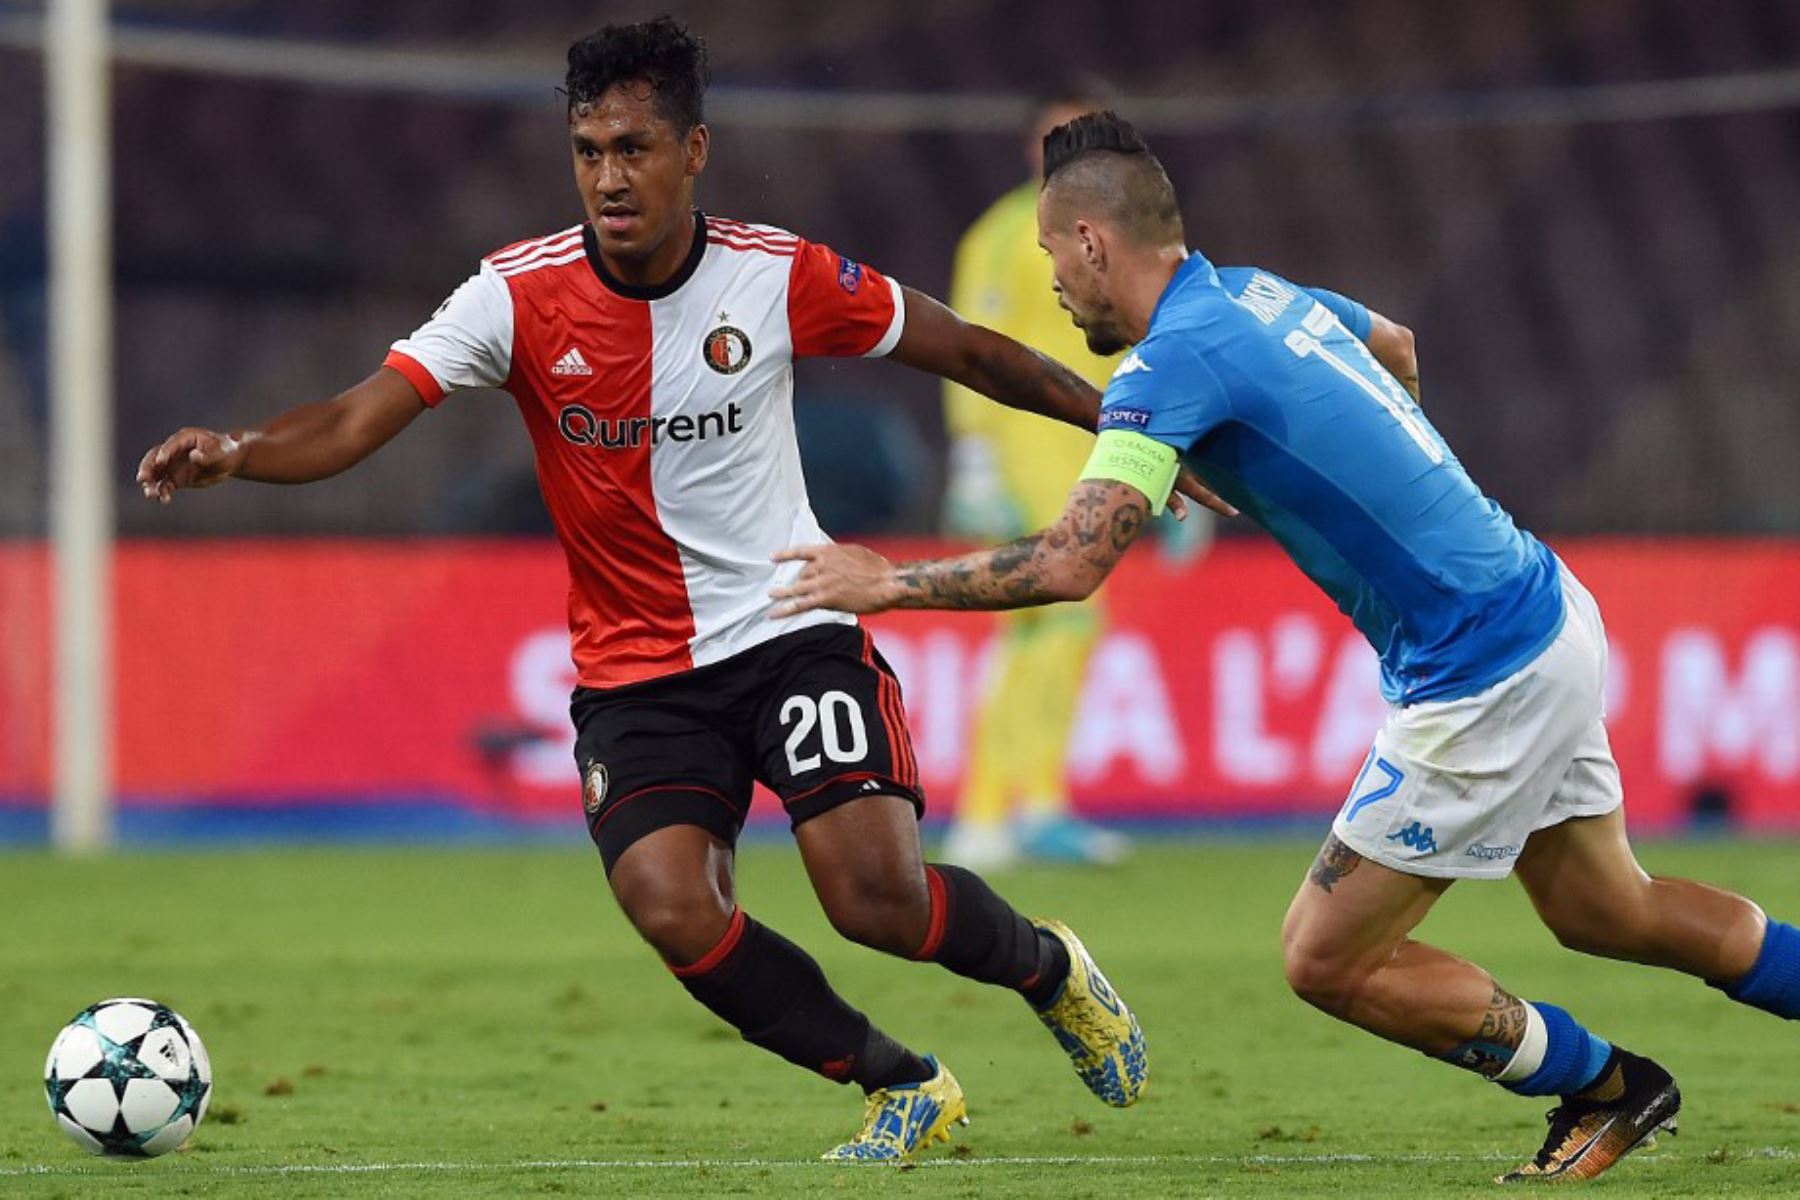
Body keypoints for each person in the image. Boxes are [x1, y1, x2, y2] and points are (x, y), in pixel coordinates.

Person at [133, 24, 1237, 1162]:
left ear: (694, 149)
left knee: (875, 903)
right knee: (671, 905)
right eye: (588, 149)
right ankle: (898, 1082)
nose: (610, 175)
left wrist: (1127, 430)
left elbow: (968, 351)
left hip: (792, 628)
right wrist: (243, 448)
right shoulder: (514, 297)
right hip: (636, 673)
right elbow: (359, 416)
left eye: (635, 147)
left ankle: (1048, 969)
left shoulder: (777, 274)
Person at [773, 111, 1800, 1184]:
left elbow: (1071, 564)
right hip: (1540, 604)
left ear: (1091, 242)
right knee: (1606, 907)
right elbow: (1393, 344)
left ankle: (1606, 1087)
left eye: (1052, 260)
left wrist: (886, 580)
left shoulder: (1163, 368)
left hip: (1481, 671)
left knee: (1326, 957)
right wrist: (1376, 485)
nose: (1056, 289)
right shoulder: (1259, 291)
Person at [939, 88, 1141, 869]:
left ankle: (1013, 809)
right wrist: (976, 459)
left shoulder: (1113, 238)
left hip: (1094, 452)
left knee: (1045, 630)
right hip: (1024, 450)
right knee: (1057, 621)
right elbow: (965, 343)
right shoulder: (1001, 235)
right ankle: (1008, 809)